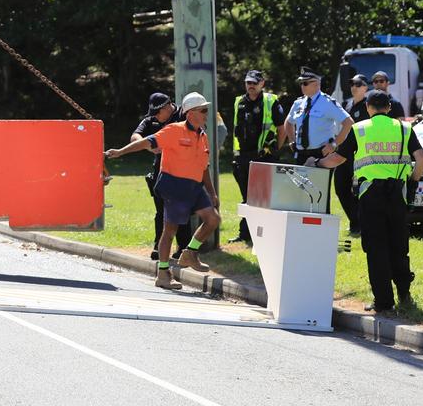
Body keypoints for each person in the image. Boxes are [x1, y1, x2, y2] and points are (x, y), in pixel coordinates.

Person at [314, 89, 423, 312]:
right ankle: (404, 295)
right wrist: (413, 182)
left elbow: (337, 158)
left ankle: (384, 303)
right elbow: (422, 159)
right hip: (397, 195)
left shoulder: (360, 129)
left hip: (370, 196)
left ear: (368, 108)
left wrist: (317, 163)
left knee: (376, 248)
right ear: (389, 107)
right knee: (398, 245)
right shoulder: (404, 128)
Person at [105, 92, 223, 290]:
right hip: (174, 185)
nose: (206, 114)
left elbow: (204, 168)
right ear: (191, 113)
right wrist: (121, 152)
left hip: (194, 187)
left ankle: (190, 253)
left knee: (213, 219)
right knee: (169, 231)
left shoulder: (203, 136)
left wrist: (212, 193)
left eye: (206, 110)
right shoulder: (173, 130)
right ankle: (162, 274)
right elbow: (144, 141)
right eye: (203, 110)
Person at [228, 70, 286, 245]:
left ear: (262, 84)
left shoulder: (270, 102)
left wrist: (277, 149)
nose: (251, 86)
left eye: (254, 83)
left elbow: (281, 128)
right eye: (248, 83)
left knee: (263, 198)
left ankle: (264, 234)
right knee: (247, 198)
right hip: (244, 156)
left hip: (264, 156)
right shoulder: (240, 102)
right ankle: (245, 233)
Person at [133, 92, 191, 261]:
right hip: (161, 172)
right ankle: (159, 246)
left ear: (168, 106)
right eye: (155, 113)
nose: (157, 117)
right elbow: (135, 136)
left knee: (181, 210)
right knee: (161, 212)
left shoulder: (183, 115)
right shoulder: (152, 119)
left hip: (182, 171)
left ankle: (183, 248)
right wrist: (149, 147)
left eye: (159, 112)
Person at [283, 67, 354, 196]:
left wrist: (334, 145)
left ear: (316, 84)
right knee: (299, 195)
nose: (302, 86)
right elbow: (288, 122)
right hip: (300, 155)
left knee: (318, 195)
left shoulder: (327, 102)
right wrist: (292, 140)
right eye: (301, 83)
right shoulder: (299, 103)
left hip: (320, 155)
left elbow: (348, 122)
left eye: (305, 83)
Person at [338, 74, 371, 235]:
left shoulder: (368, 106)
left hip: (360, 154)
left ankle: (360, 224)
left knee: (357, 189)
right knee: (340, 187)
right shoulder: (346, 104)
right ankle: (354, 220)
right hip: (345, 153)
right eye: (352, 84)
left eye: (358, 84)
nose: (353, 87)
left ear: (365, 87)